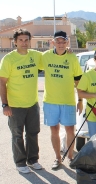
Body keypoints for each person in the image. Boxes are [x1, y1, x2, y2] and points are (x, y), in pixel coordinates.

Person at [0, 28, 43, 174]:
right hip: (15, 105)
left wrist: (66, 50)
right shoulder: (9, 59)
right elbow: (2, 82)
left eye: (26, 40)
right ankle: (20, 162)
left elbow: (52, 58)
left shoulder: (36, 55)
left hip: (32, 103)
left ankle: (33, 160)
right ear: (15, 42)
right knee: (17, 134)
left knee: (33, 133)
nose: (24, 43)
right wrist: (5, 104)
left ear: (30, 41)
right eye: (21, 40)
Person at [41, 30, 83, 169]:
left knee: (70, 130)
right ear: (53, 42)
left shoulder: (72, 57)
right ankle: (58, 158)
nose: (60, 44)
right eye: (57, 41)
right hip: (50, 101)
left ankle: (70, 157)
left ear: (67, 42)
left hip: (68, 101)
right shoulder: (45, 56)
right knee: (54, 130)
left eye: (63, 41)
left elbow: (78, 80)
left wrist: (80, 100)